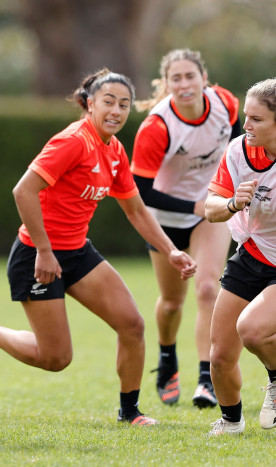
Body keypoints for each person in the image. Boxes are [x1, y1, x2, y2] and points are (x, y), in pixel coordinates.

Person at [0, 68, 197, 426]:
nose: (116, 110)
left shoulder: (113, 149)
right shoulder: (73, 141)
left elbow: (135, 208)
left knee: (132, 324)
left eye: (124, 104)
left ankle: (129, 412)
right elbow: (23, 190)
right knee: (55, 359)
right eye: (108, 102)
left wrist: (170, 250)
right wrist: (44, 251)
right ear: (89, 104)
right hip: (36, 256)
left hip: (77, 252)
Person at [130, 49, 241, 408]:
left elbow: (241, 148)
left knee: (209, 288)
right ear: (167, 84)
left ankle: (206, 379)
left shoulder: (225, 103)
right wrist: (192, 205)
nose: (184, 84)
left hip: (211, 212)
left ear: (203, 78)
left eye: (189, 76)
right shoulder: (157, 126)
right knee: (172, 303)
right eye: (175, 78)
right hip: (166, 220)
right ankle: (166, 358)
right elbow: (141, 191)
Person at [204, 78, 276, 436]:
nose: (246, 126)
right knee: (219, 355)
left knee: (251, 329)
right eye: (246, 117)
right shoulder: (239, 151)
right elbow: (210, 208)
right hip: (252, 253)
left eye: (257, 119)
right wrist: (233, 202)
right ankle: (232, 422)